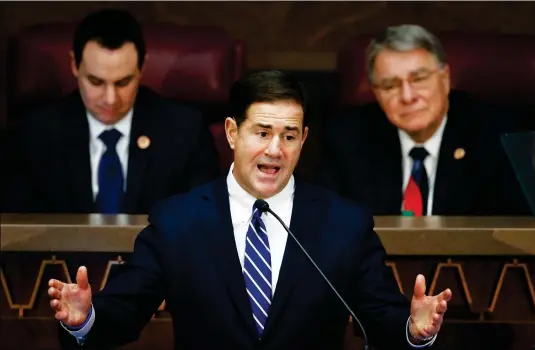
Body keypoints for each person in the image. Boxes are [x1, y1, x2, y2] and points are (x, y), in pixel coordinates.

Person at [48, 70, 452, 350]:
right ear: (231, 132)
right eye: (262, 132)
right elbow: (126, 311)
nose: (275, 150)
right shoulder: (178, 222)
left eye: (289, 136)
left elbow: (381, 316)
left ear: (304, 138)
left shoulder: (343, 223)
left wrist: (414, 331)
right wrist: (85, 318)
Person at [6, 9, 220, 214]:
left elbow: (202, 227)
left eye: (123, 82)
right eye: (96, 82)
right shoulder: (35, 135)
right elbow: (18, 232)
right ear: (75, 65)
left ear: (142, 68)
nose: (110, 99)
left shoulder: (185, 132)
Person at [317, 24, 530, 216]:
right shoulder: (347, 139)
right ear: (376, 92)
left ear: (445, 78)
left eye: (419, 79)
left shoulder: (497, 137)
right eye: (391, 85)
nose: (408, 96)